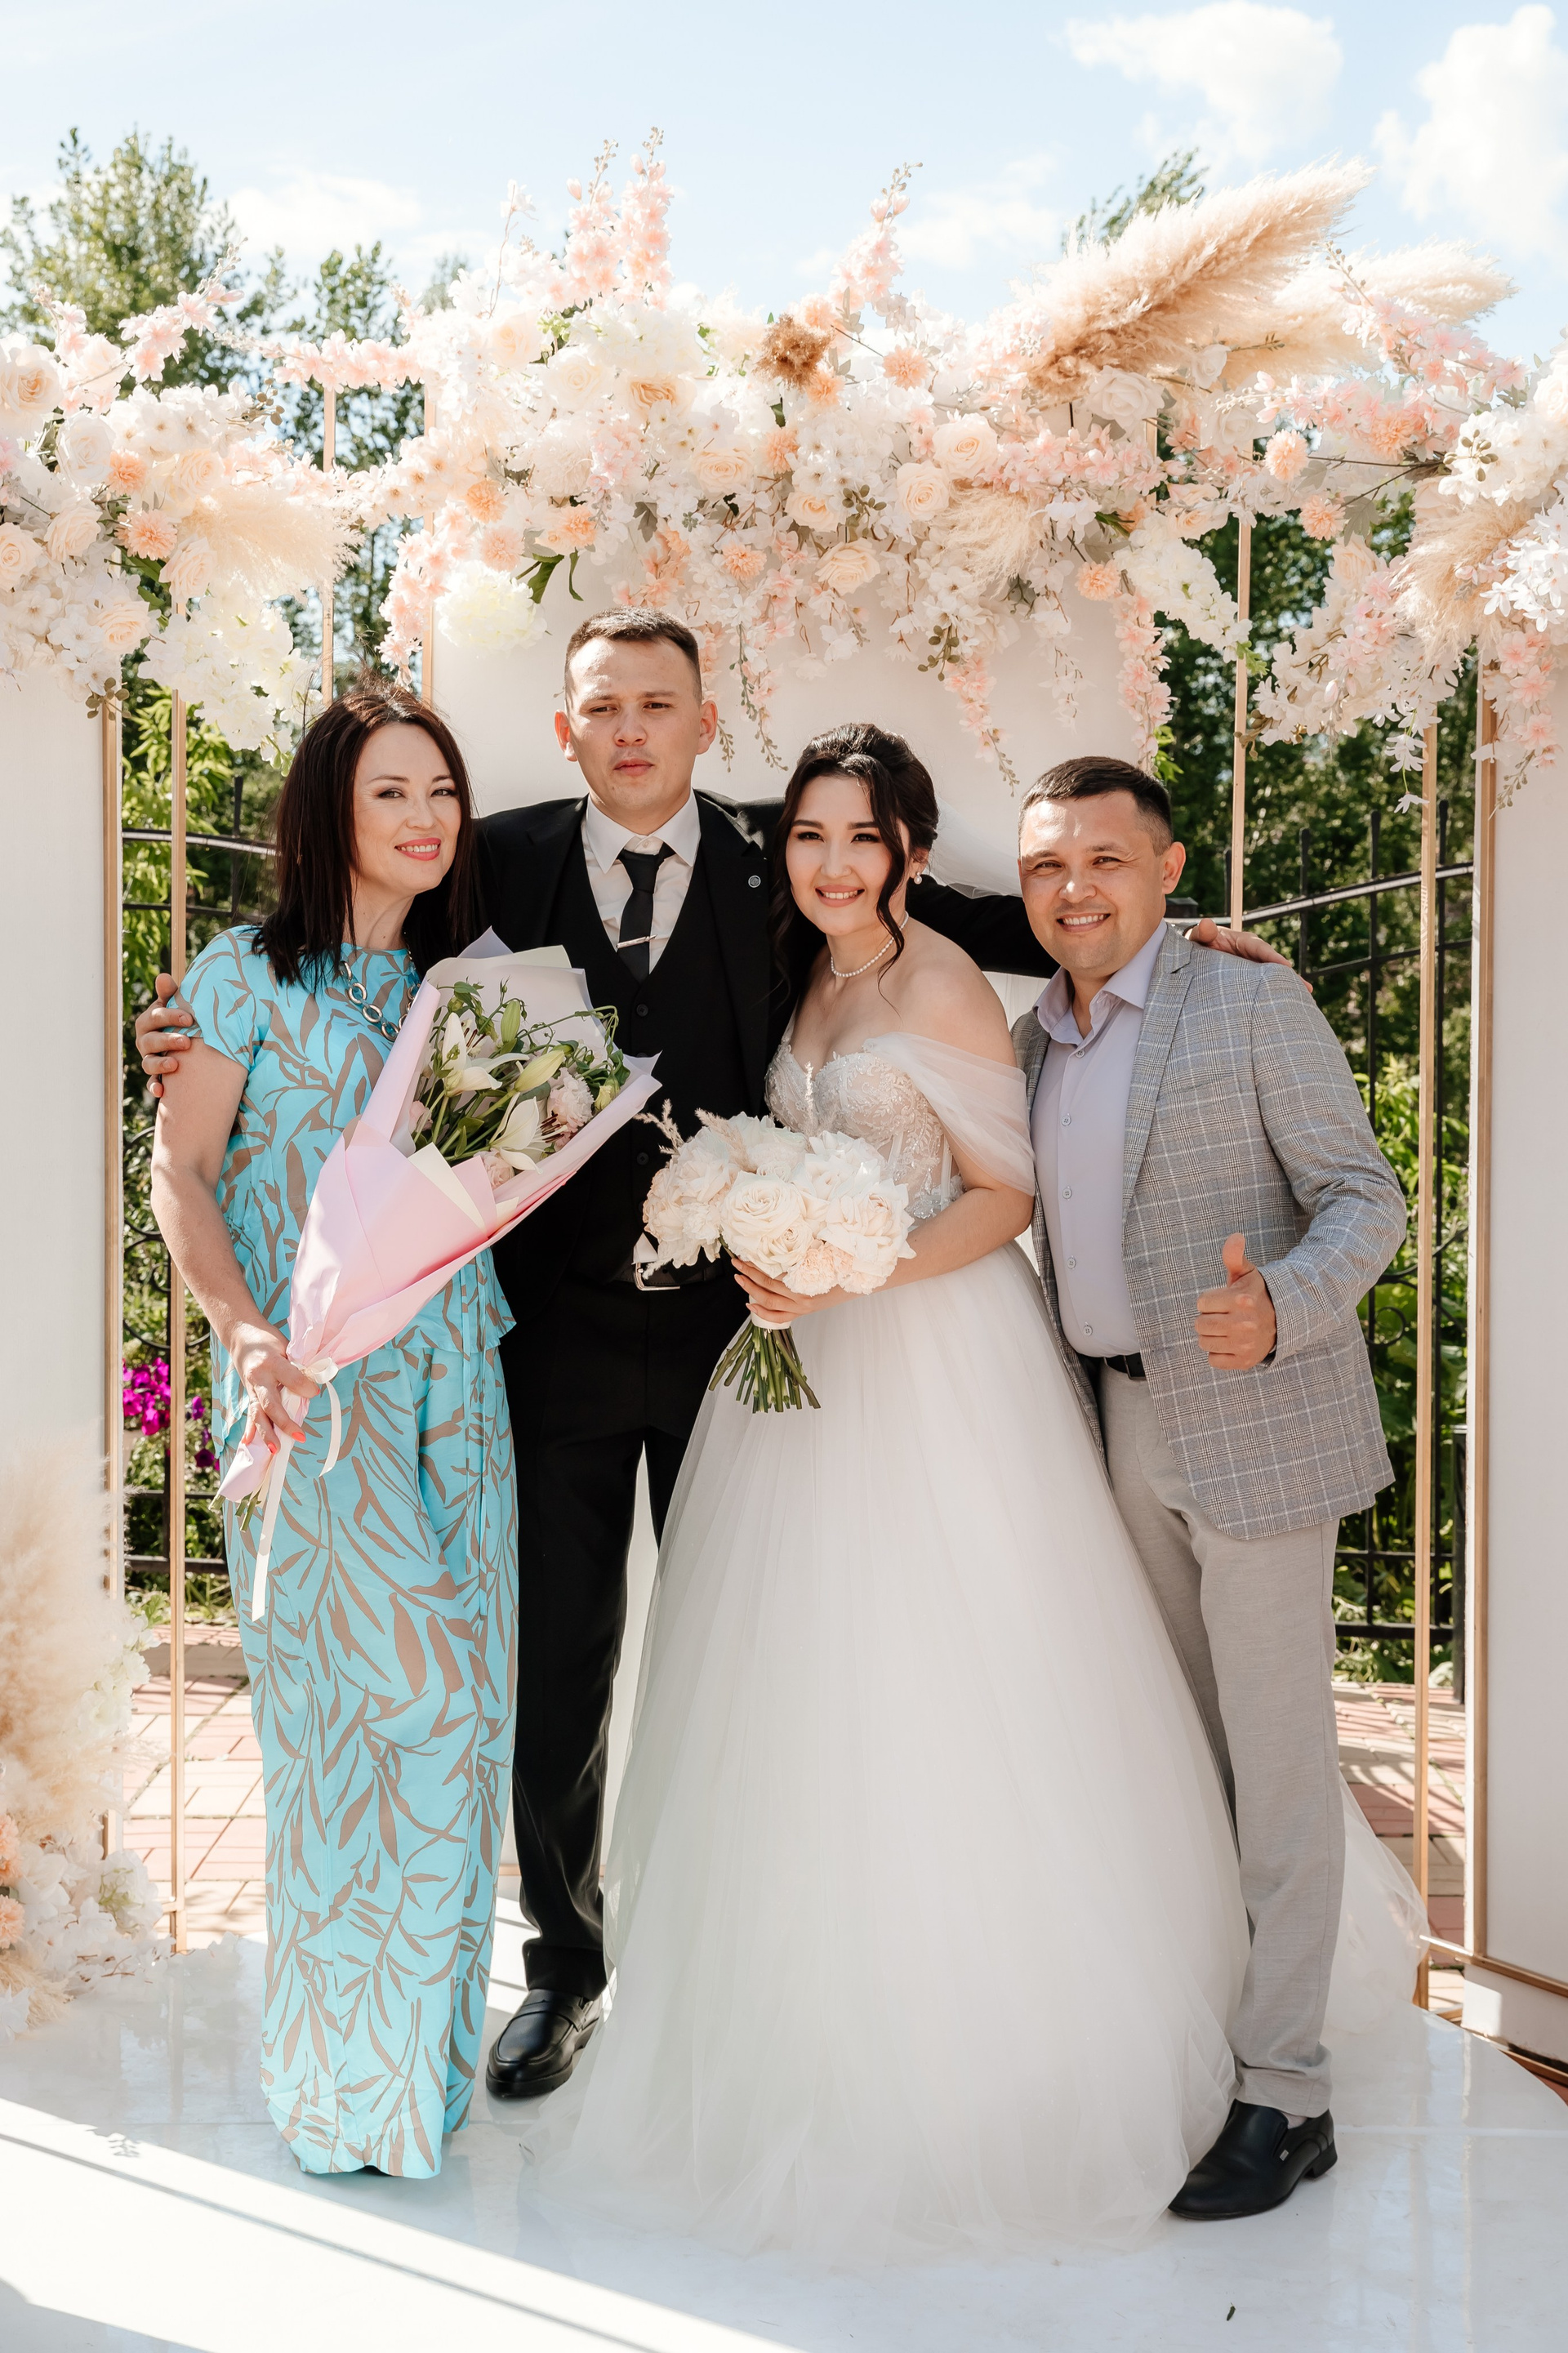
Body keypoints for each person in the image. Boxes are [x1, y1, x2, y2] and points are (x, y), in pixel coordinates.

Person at [135, 611, 1287, 2105]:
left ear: (703, 720)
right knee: (553, 1673)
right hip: (535, 1339)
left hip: (743, 1338)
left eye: (659, 704)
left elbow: (944, 903)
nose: (632, 728)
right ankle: (565, 1964)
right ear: (565, 727)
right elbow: (336, 924)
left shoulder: (777, 851)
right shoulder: (493, 854)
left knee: (753, 1658)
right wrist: (186, 1018)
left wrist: (1155, 933)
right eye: (603, 705)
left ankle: (728, 1973)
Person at [503, 723, 1406, 2263]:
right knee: (826, 1710)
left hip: (963, 1363)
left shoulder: (970, 988)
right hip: (837, 1377)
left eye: (865, 836)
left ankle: (1266, 2072)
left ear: (911, 852)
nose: (835, 861)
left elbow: (1008, 1193)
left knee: (1084, 1714)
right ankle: (818, 2031)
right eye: (810, 836)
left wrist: (855, 1266)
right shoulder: (849, 985)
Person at [1010, 755, 1410, 2222]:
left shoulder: (1249, 999)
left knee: (1281, 1766)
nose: (1075, 889)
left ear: (1170, 870)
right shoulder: (1031, 1037)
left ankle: (1288, 2093)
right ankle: (1219, 2037)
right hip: (1114, 1429)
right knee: (1186, 1760)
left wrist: (1283, 1304)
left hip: (1257, 1420)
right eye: (1048, 865)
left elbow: (1366, 1195)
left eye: (1106, 859)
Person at [149, 680, 517, 2177]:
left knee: (466, 1729)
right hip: (313, 1396)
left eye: (442, 790)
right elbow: (180, 1172)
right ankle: (336, 2088)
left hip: (461, 1390)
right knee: (359, 1728)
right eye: (390, 791)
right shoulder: (239, 977)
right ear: (329, 809)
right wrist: (244, 1330)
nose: (426, 817)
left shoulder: (466, 991)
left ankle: (414, 2088)